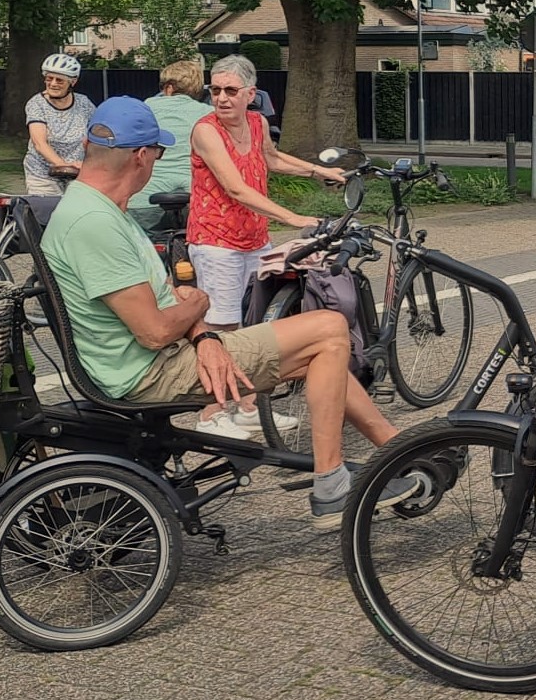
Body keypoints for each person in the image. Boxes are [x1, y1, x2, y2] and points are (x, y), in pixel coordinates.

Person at [41, 97, 416, 517]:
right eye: (160, 152)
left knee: (319, 351)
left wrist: (204, 335)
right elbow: (155, 330)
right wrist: (200, 303)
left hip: (160, 356)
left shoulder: (102, 210)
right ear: (142, 156)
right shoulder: (94, 223)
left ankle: (399, 451)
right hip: (148, 372)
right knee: (328, 328)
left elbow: (165, 300)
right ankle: (331, 484)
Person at [187, 53, 343, 439]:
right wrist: (293, 218)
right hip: (216, 240)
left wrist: (318, 170)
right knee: (222, 326)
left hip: (254, 237)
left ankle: (246, 406)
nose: (221, 98)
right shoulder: (206, 131)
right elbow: (235, 187)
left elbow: (271, 158)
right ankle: (210, 413)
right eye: (215, 90)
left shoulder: (257, 123)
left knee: (254, 323)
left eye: (230, 91)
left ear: (250, 94)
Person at [127, 57, 212, 234]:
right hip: (196, 198)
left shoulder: (144, 108)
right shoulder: (209, 114)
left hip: (145, 199)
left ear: (168, 88)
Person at [23, 53, 94, 195]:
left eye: (60, 80)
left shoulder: (84, 104)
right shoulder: (37, 104)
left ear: (72, 82)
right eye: (49, 78)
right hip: (42, 174)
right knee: (46, 213)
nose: (53, 83)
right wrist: (64, 166)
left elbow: (97, 133)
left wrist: (88, 164)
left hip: (77, 174)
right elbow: (40, 144)